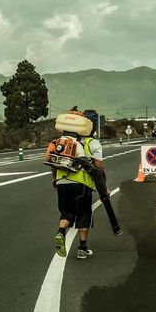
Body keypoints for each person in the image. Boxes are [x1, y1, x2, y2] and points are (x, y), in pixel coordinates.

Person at [49, 109, 103, 260]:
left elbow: (53, 164)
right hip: (80, 184)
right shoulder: (86, 143)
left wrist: (55, 179)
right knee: (84, 214)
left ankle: (61, 231)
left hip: (62, 182)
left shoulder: (60, 143)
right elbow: (97, 166)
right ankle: (82, 248)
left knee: (66, 213)